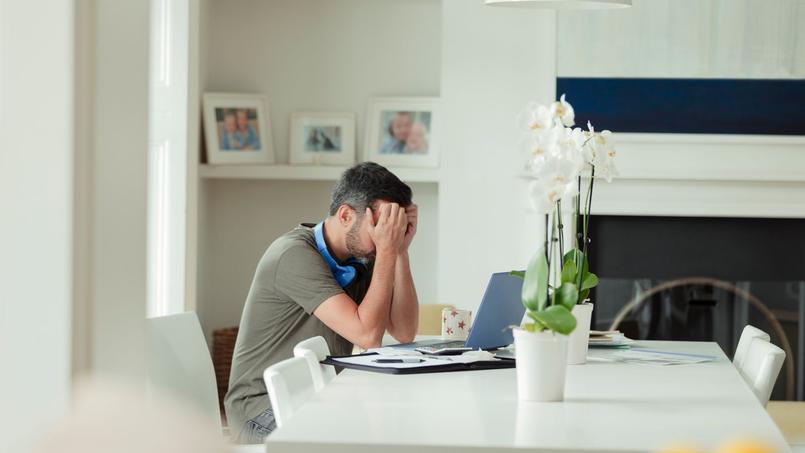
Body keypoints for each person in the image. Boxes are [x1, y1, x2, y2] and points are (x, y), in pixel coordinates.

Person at [225, 162, 419, 444]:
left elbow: (403, 331)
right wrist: (388, 250)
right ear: (345, 215)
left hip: (317, 397)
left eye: (391, 228)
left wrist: (400, 250)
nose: (383, 237)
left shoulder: (358, 257)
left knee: (396, 431)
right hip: (261, 410)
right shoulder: (293, 255)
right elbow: (368, 335)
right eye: (380, 226)